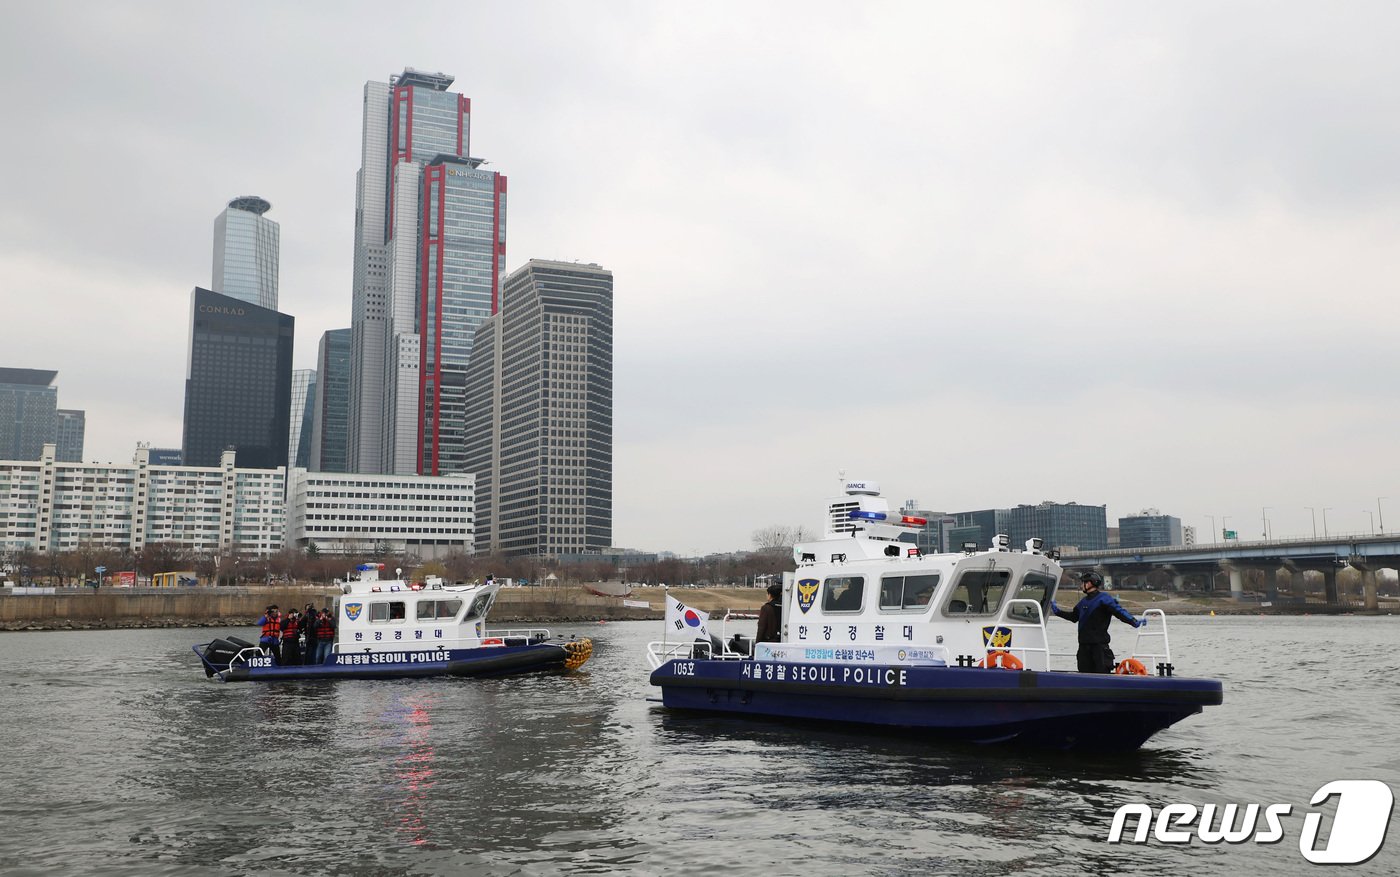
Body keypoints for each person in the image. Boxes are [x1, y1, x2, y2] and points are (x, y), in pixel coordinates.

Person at [1050, 571, 1144, 673]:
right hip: (1083, 648)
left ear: (1090, 583)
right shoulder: (1083, 602)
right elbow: (1073, 617)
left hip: (1099, 647)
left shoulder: (1104, 599)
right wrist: (1058, 612)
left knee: (1102, 674)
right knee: (1084, 675)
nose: (1081, 585)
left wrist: (1133, 621)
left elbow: (1119, 612)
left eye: (1083, 582)